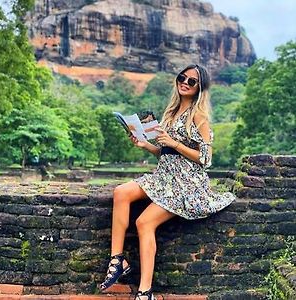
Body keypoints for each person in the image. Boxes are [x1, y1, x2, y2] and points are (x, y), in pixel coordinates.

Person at [99, 64, 236, 300]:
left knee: (144, 222)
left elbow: (205, 158)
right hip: (164, 177)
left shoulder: (199, 116)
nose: (185, 82)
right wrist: (146, 145)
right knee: (121, 192)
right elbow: (166, 154)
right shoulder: (170, 113)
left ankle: (145, 291)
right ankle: (117, 259)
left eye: (192, 81)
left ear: (200, 87)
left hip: (186, 183)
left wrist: (174, 143)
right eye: (182, 77)